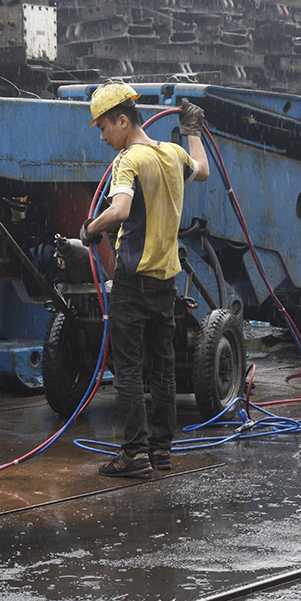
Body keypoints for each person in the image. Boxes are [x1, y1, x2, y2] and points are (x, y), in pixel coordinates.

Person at [79, 82, 209, 477]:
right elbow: (201, 170)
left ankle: (134, 454)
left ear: (123, 120)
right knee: (162, 368)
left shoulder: (129, 160)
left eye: (103, 127)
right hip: (165, 281)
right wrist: (192, 132)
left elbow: (119, 211)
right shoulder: (171, 155)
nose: (102, 137)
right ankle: (161, 452)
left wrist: (90, 228)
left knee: (131, 369)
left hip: (133, 280)